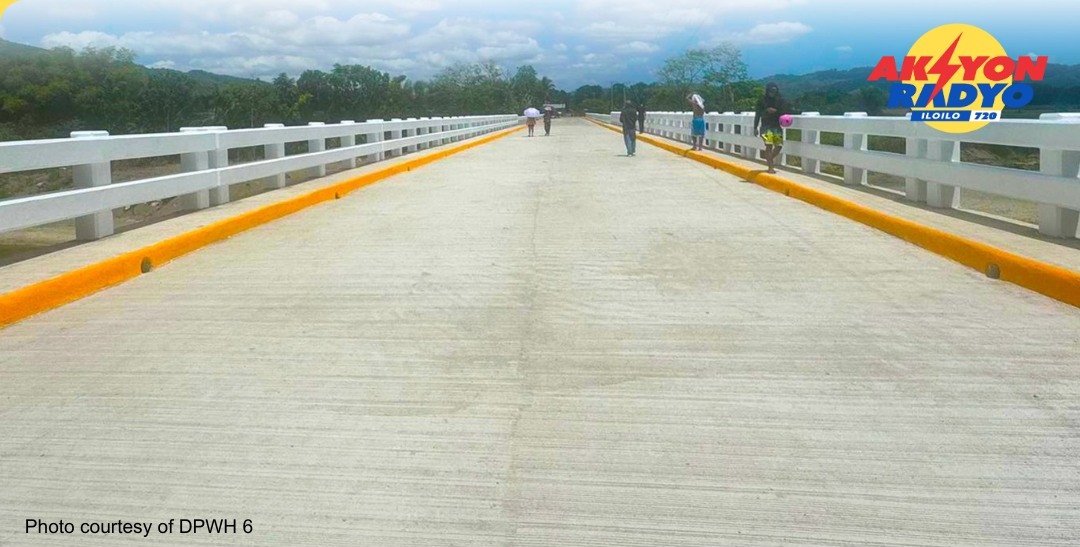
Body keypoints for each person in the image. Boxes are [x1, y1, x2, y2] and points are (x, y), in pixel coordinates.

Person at [753, 83, 789, 174]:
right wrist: (755, 127)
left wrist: (775, 111)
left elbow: (784, 112)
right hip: (766, 126)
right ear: (767, 90)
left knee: (779, 146)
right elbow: (758, 114)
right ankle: (770, 167)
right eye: (771, 90)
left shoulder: (780, 100)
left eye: (774, 90)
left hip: (776, 126)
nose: (772, 92)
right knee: (769, 145)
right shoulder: (761, 101)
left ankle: (769, 158)